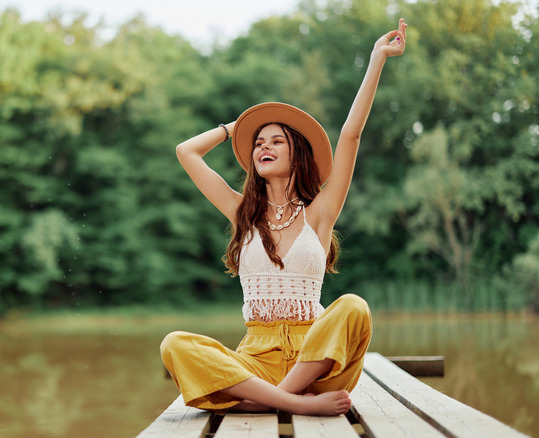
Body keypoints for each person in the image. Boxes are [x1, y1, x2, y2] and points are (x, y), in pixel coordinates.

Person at [160, 19, 408, 416]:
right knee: (175, 344)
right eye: (258, 143)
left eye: (277, 141)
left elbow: (351, 135)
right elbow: (186, 152)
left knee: (354, 307)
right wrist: (232, 129)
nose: (264, 147)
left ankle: (259, 403)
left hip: (316, 360)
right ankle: (290, 403)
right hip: (254, 361)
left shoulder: (321, 211)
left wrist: (377, 58)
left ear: (299, 155)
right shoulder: (243, 211)